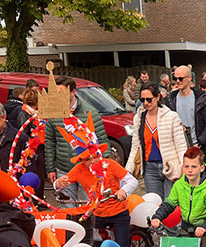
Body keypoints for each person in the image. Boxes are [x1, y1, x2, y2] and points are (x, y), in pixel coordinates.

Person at [45, 77, 111, 208]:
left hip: (88, 168)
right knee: (68, 207)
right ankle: (71, 229)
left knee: (93, 206)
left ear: (73, 92)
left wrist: (105, 165)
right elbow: (50, 143)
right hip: (64, 169)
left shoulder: (90, 113)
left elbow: (103, 140)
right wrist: (50, 168)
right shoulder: (53, 114)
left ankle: (93, 229)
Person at [125, 83, 187, 201]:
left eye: (149, 99)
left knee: (171, 206)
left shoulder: (171, 116)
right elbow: (135, 146)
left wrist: (184, 167)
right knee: (154, 205)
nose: (146, 103)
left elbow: (180, 145)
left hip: (171, 167)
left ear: (158, 97)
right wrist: (128, 170)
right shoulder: (139, 118)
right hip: (150, 168)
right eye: (142, 100)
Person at [166, 65, 206, 167]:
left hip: (199, 148)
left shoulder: (201, 98)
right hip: (178, 150)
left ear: (189, 78)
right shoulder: (170, 99)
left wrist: (199, 143)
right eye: (175, 79)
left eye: (180, 78)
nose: (178, 81)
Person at [17, 88, 45, 200]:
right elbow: (24, 134)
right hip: (32, 151)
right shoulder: (24, 114)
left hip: (39, 148)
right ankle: (34, 199)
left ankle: (39, 197)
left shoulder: (36, 114)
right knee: (35, 175)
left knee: (41, 175)